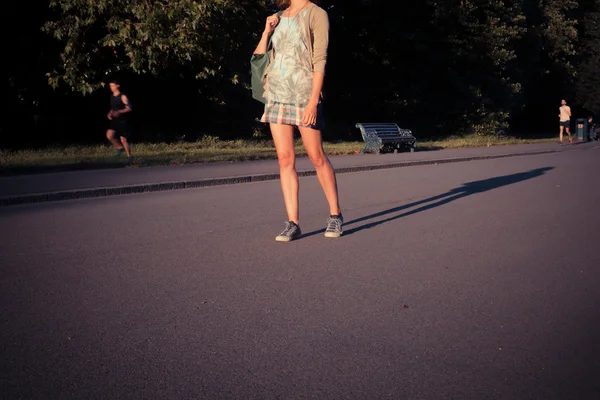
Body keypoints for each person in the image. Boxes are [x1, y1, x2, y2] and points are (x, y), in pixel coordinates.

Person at [254, 0, 342, 242]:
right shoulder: (278, 16)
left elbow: (320, 59)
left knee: (316, 156)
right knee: (285, 159)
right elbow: (260, 58)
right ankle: (293, 223)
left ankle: (335, 215)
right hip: (277, 95)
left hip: (304, 95)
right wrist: (266, 32)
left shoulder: (317, 14)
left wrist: (314, 101)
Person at [106, 80, 133, 161]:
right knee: (109, 135)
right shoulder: (112, 96)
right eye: (110, 86)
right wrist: (110, 113)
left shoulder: (123, 96)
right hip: (115, 120)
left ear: (118, 86)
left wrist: (119, 112)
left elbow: (129, 108)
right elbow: (114, 108)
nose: (111, 88)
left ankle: (129, 157)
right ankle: (120, 148)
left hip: (122, 121)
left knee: (123, 140)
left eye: (113, 86)